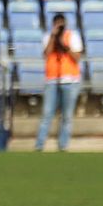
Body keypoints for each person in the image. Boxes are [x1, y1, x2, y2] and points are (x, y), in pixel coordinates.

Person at [37, 15, 84, 151]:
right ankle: (39, 145)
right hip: (52, 80)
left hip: (70, 81)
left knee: (67, 116)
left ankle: (63, 146)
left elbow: (77, 58)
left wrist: (65, 46)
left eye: (61, 24)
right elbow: (46, 54)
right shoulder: (48, 37)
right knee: (47, 114)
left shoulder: (72, 36)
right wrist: (53, 37)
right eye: (57, 24)